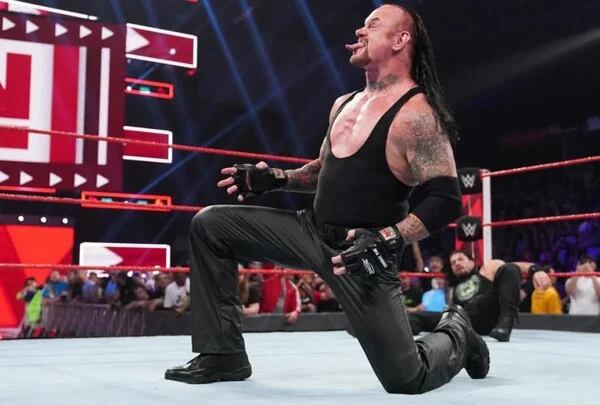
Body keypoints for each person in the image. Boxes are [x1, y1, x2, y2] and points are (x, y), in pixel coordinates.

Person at [165, 3, 489, 393]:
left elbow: (445, 198)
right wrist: (275, 179)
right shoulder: (344, 104)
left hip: (362, 253)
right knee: (211, 225)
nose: (361, 30)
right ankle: (222, 355)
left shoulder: (418, 115)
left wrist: (388, 238)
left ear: (401, 40)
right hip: (310, 230)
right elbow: (323, 171)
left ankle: (457, 329)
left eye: (373, 25)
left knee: (407, 377)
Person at [407, 250, 522, 342]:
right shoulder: (451, 289)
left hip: (487, 311)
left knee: (510, 267)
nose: (457, 263)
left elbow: (516, 268)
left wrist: (533, 270)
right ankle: (403, 332)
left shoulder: (485, 272)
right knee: (417, 316)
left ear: (472, 262)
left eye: (460, 259)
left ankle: (505, 325)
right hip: (465, 320)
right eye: (453, 263)